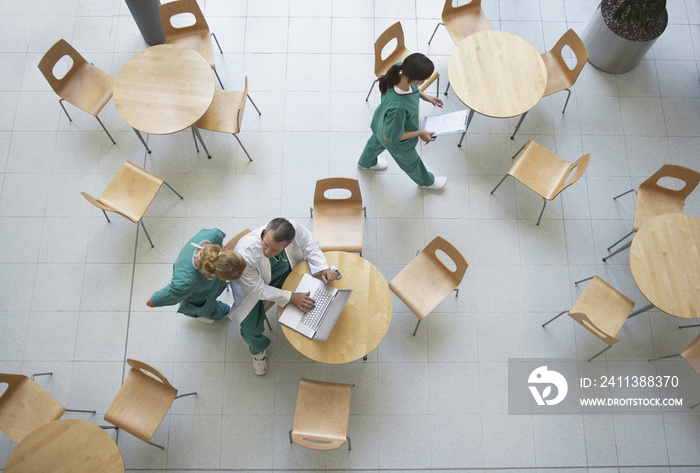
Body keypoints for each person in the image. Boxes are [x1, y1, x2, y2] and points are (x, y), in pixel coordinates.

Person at [228, 218, 336, 375]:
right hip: (251, 290)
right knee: (249, 329)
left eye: (274, 250)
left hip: (285, 273)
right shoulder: (246, 253)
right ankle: (258, 352)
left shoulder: (293, 228)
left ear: (287, 244)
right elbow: (258, 290)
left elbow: (309, 245)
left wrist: (323, 267)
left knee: (317, 295)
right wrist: (291, 297)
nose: (267, 252)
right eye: (265, 245)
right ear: (264, 233)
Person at [358, 52, 447, 190]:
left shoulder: (399, 68)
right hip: (396, 141)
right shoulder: (398, 108)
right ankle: (427, 182)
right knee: (412, 163)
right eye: (423, 80)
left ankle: (365, 163)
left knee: (374, 143)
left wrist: (424, 96)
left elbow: (412, 88)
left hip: (380, 123)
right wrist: (420, 133)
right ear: (415, 79)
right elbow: (392, 136)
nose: (423, 82)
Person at [147, 228, 246, 323]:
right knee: (208, 309)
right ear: (216, 274)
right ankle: (206, 314)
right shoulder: (185, 283)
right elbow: (152, 302)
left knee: (214, 292)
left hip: (210, 286)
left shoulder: (213, 236)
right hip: (200, 297)